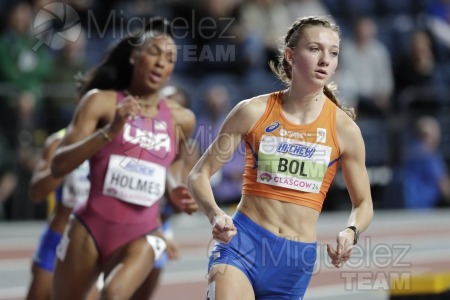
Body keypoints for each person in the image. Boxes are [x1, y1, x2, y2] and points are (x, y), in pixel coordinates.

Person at [188, 16, 374, 299]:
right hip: (243, 244)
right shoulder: (252, 111)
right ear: (290, 55)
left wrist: (351, 232)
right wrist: (215, 214)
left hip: (294, 261)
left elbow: (363, 203)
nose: (325, 60)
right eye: (314, 49)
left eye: (333, 53)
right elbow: (199, 175)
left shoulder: (345, 130)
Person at [50, 18, 196, 299]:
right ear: (134, 56)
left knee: (114, 295)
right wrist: (110, 131)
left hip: (144, 231)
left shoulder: (182, 119)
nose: (160, 63)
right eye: (153, 52)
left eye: (169, 59)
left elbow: (175, 163)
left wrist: (176, 187)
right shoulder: (100, 102)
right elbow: (59, 164)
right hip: (90, 226)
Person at [26, 129, 95, 300]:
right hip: (57, 238)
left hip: (92, 242)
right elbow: (36, 193)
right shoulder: (58, 142)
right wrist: (64, 163)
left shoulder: (116, 140)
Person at [402, 115, 450, 209]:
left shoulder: (408, 150)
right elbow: (444, 186)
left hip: (407, 206)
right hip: (424, 209)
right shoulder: (429, 155)